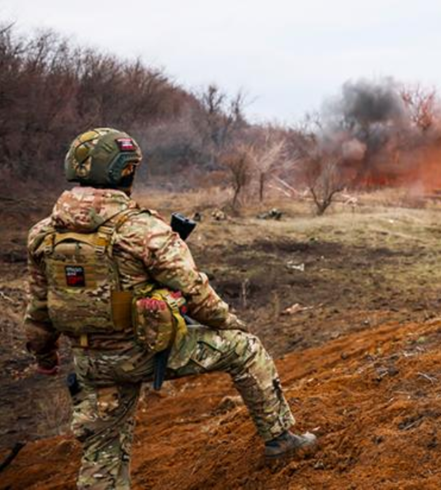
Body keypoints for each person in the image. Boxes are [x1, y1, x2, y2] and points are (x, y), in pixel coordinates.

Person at [23, 128, 316, 489]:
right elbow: (194, 292)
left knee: (103, 455)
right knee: (246, 350)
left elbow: (38, 308)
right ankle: (280, 441)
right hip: (143, 352)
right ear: (124, 172)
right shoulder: (144, 230)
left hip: (89, 362)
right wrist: (233, 324)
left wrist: (45, 357)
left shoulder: (42, 234)